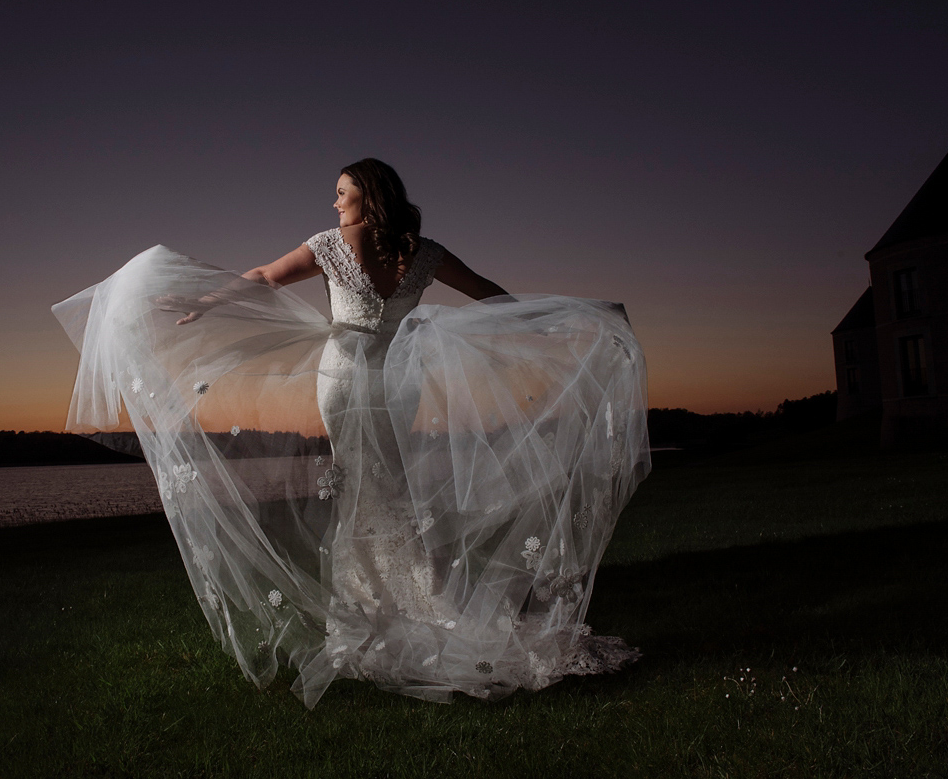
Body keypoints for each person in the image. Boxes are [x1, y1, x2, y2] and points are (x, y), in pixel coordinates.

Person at [53, 158, 650, 707]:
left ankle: (375, 607)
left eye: (343, 194)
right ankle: (406, 597)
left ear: (370, 199)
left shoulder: (332, 246)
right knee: (388, 484)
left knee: (363, 486)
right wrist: (549, 319)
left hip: (344, 377)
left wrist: (204, 301)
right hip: (400, 380)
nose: (335, 203)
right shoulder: (424, 252)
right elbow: (488, 294)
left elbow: (263, 276)